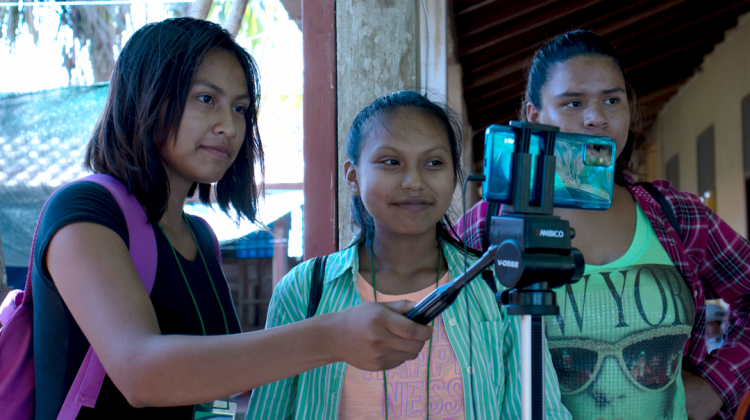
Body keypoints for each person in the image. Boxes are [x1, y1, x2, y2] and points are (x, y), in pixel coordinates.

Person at [34, 18, 432, 419]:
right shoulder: (83, 210)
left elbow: (217, 394)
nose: (229, 126)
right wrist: (331, 337)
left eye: (240, 108)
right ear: (145, 96)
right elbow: (141, 373)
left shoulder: (200, 237)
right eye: (206, 99)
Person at [453, 30, 750, 420]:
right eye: (573, 103)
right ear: (533, 116)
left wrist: (717, 384)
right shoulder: (490, 226)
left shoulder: (677, 214)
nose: (596, 118)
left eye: (612, 100)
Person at [246, 90, 572, 419]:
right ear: (353, 176)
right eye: (391, 162)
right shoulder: (304, 291)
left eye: (433, 163)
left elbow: (538, 410)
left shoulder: (499, 285)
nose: (414, 181)